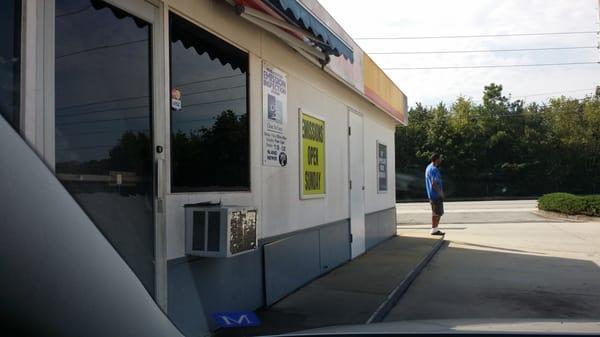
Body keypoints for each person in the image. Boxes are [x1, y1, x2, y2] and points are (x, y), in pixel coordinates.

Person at [425, 153, 445, 235]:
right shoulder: (434, 169)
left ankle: (435, 229)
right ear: (436, 159)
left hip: (432, 194)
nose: (441, 159)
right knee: (437, 212)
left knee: (436, 212)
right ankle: (434, 229)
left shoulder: (428, 167)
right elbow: (434, 183)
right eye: (440, 158)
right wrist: (440, 193)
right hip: (435, 195)